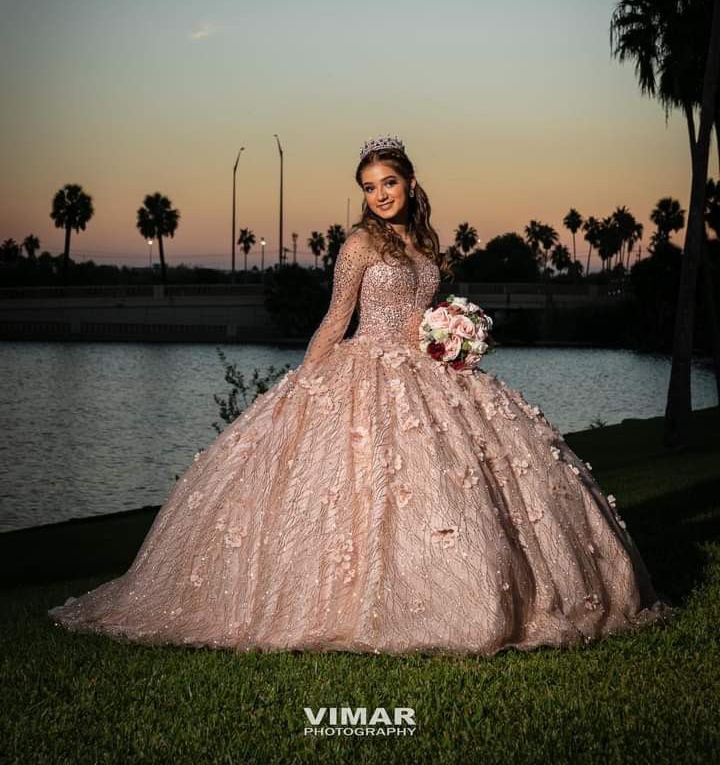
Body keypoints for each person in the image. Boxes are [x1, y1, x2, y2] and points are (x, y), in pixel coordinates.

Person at [48, 135, 675, 655]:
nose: (379, 196)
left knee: (463, 481)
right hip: (364, 366)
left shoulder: (425, 245)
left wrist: (450, 335)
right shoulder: (358, 246)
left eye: (388, 184)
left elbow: (423, 309)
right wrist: (305, 383)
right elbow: (334, 319)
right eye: (369, 187)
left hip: (432, 373)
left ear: (409, 183)